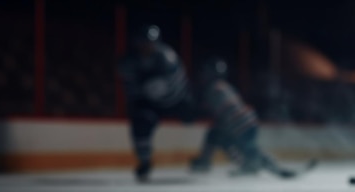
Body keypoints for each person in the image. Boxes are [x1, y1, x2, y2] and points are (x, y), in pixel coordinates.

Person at [189, 57, 298, 178]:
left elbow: (223, 114)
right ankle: (251, 165)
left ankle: (275, 169)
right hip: (245, 122)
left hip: (239, 125)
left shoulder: (213, 89)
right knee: (226, 141)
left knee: (246, 149)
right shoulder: (224, 86)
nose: (203, 75)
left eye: (206, 72)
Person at [118, 25, 200, 182]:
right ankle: (145, 161)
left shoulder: (167, 57)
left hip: (176, 100)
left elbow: (177, 85)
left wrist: (153, 91)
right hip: (150, 103)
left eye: (149, 43)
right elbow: (130, 89)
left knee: (193, 113)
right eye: (143, 43)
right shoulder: (129, 62)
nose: (146, 47)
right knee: (140, 122)